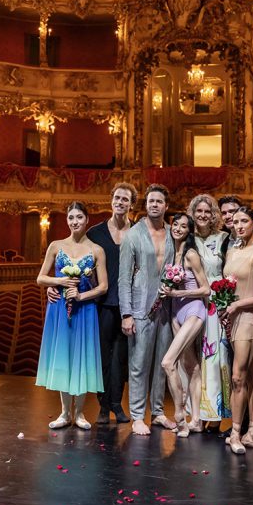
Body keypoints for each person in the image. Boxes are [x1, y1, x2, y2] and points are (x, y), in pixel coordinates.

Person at [35, 201, 108, 429]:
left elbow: (103, 286)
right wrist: (59, 282)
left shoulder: (96, 250)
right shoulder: (56, 246)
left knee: (82, 356)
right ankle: (65, 413)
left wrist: (81, 296)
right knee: (64, 356)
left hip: (85, 310)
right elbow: (40, 278)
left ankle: (79, 413)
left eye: (79, 217)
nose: (74, 222)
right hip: (59, 309)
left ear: (87, 220)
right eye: (71, 218)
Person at [118, 184, 176, 436]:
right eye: (151, 201)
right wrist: (126, 313)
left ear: (166, 206)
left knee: (163, 362)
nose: (154, 204)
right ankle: (138, 416)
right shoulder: (133, 234)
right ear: (146, 204)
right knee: (139, 363)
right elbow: (123, 278)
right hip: (140, 306)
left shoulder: (173, 233)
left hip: (167, 307)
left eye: (159, 201)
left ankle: (159, 412)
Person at [217, 195, 253, 441]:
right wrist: (225, 306)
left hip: (251, 318)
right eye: (237, 221)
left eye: (244, 221)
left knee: (238, 376)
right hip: (233, 318)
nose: (239, 225)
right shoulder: (232, 251)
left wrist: (237, 305)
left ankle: (236, 432)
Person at [85, 182, 137, 424]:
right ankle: (104, 406)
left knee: (122, 358)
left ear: (131, 204)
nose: (120, 202)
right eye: (117, 197)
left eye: (125, 199)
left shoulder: (138, 232)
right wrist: (56, 286)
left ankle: (117, 404)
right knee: (103, 357)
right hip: (102, 304)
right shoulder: (95, 233)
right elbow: (78, 260)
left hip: (129, 306)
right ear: (111, 200)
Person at [159, 212, 210, 437]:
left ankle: (180, 415)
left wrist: (176, 293)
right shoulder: (172, 253)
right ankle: (196, 420)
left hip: (193, 310)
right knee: (191, 366)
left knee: (168, 362)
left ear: (189, 231)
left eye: (183, 226)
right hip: (176, 312)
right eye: (175, 224)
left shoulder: (190, 254)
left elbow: (206, 289)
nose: (178, 228)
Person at [189, 194, 232, 431]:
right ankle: (195, 414)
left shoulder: (223, 238)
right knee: (193, 358)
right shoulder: (187, 238)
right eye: (199, 211)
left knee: (214, 357)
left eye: (207, 211)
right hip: (191, 300)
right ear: (193, 213)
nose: (203, 215)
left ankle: (214, 416)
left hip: (216, 301)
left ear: (213, 214)